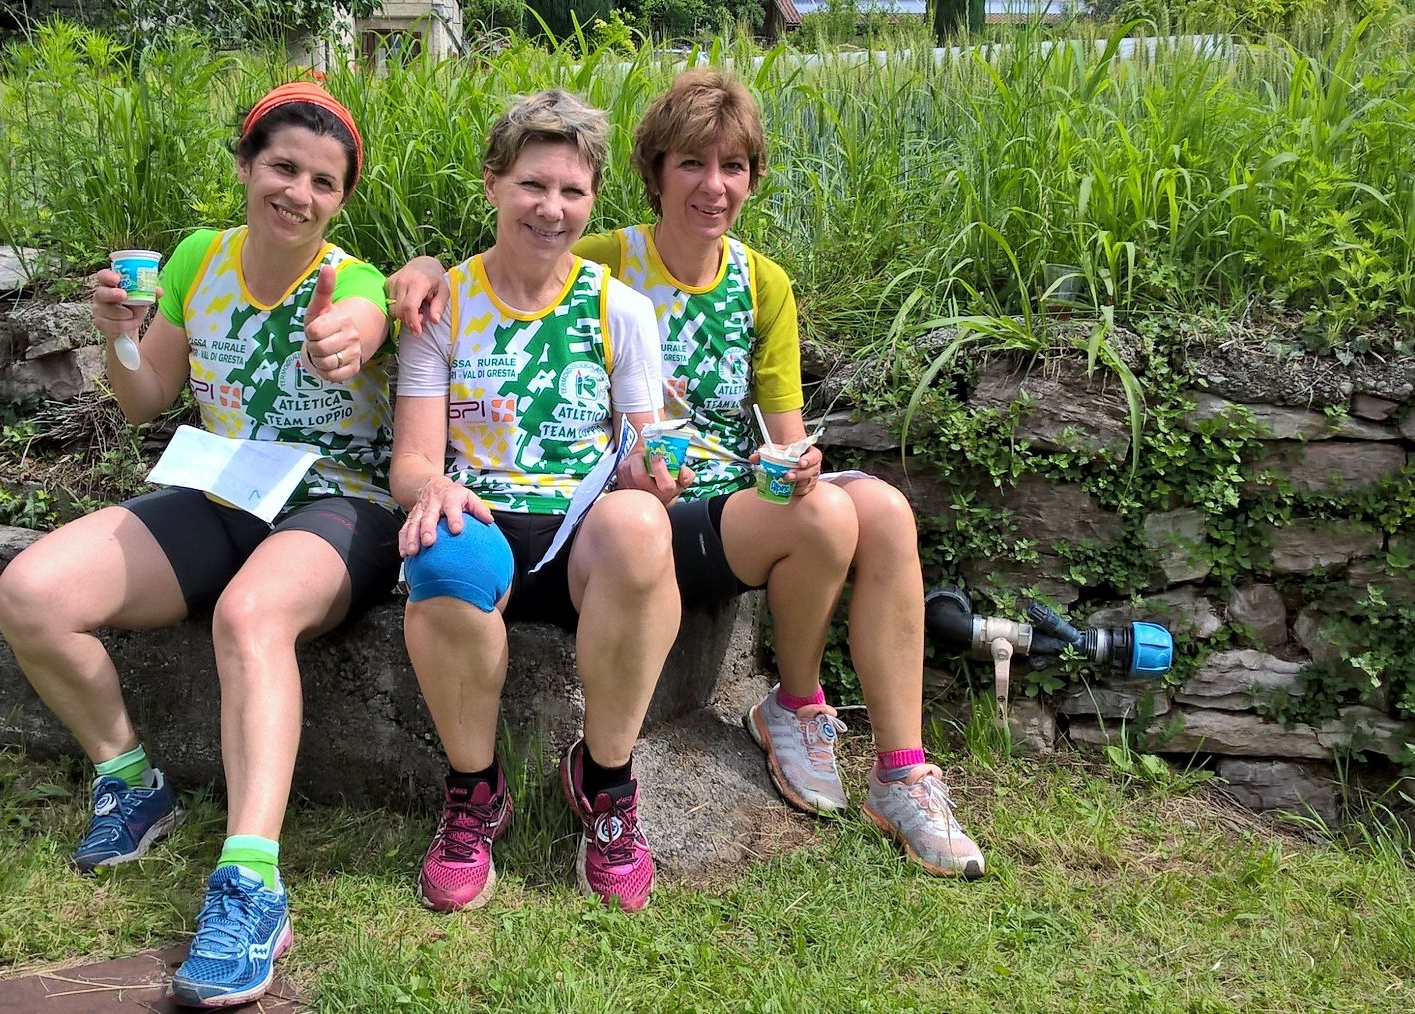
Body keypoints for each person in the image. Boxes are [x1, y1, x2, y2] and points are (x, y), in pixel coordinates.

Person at [389, 69, 985, 880]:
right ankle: (792, 705)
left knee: (878, 509)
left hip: (706, 493)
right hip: (638, 504)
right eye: (692, 164)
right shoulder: (603, 258)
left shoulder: (760, 281)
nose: (713, 185)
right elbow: (515, 268)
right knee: (813, 518)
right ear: (654, 173)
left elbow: (781, 434)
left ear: (752, 178)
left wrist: (795, 462)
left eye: (732, 166)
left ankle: (880, 756)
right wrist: (421, 267)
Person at [0, 82, 402, 1007]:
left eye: (324, 182)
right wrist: (119, 336)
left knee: (250, 616)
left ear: (342, 200)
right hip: (223, 492)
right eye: (283, 166)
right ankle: (129, 781)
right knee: (31, 593)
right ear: (247, 165)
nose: (299, 192)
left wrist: (345, 339)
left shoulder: (351, 280)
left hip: (338, 504)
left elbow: (362, 322)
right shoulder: (194, 259)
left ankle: (251, 883)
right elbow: (145, 399)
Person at [391, 88, 678, 915]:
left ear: (593, 200)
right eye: (532, 185)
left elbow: (643, 451)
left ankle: (606, 783)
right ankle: (475, 793)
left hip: (584, 532)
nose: (552, 209)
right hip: (485, 522)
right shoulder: (444, 304)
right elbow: (411, 462)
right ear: (492, 183)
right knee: (440, 545)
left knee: (642, 524)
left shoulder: (619, 309)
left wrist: (659, 475)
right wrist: (433, 486)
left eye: (572, 191)